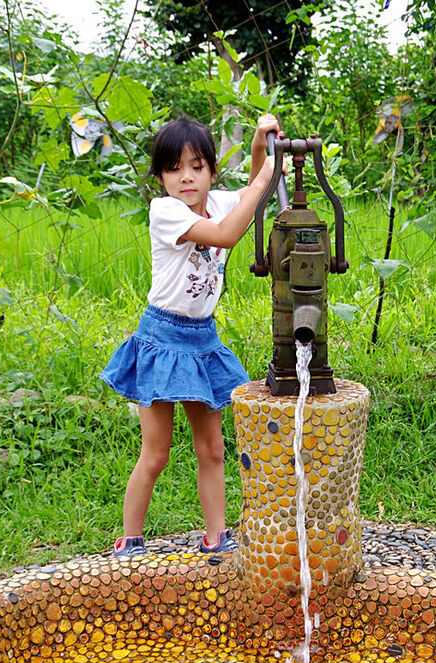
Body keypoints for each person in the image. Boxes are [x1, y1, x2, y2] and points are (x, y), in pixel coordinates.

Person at [102, 113, 283, 557]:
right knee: (157, 452)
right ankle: (130, 538)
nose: (186, 177)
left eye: (197, 167)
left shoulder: (219, 200)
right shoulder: (165, 211)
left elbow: (251, 188)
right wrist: (262, 180)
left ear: (211, 172)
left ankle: (217, 536)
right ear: (161, 177)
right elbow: (224, 236)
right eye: (174, 169)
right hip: (163, 338)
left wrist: (261, 142)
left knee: (213, 448)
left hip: (202, 339)